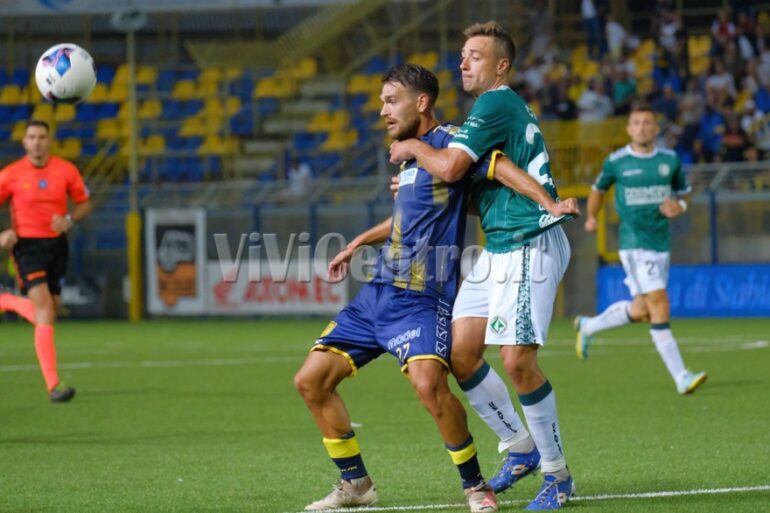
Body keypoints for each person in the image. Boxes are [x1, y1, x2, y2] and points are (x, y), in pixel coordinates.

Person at [390, 21, 579, 510]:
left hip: (528, 241)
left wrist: (413, 149)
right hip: (499, 245)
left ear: (501, 66)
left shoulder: (494, 102)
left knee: (517, 360)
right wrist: (420, 180)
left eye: (475, 55)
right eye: (462, 54)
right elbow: (475, 191)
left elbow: (452, 167)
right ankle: (520, 448)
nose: (463, 62)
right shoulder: (495, 113)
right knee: (461, 352)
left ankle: (557, 475)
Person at [294, 64, 499, 513]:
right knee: (310, 381)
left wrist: (413, 146)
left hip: (423, 297)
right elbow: (410, 216)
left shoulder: (450, 142)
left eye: (391, 101)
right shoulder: (410, 158)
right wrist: (359, 241)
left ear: (421, 102)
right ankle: (356, 485)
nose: (382, 110)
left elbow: (471, 179)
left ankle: (475, 487)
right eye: (382, 101)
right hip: (377, 295)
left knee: (429, 385)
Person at [574, 102, 707, 395]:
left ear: (656, 128)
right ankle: (681, 376)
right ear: (629, 128)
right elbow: (597, 191)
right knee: (660, 303)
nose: (642, 128)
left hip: (661, 242)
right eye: (637, 123)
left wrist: (680, 205)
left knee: (643, 310)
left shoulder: (669, 160)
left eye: (648, 123)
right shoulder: (617, 161)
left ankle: (589, 326)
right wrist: (593, 217)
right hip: (634, 242)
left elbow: (685, 193)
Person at [0, 119, 92, 402]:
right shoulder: (11, 174)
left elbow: (84, 202)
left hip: (56, 245)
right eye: (32, 137)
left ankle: (6, 300)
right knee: (44, 308)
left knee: (50, 310)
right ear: (24, 142)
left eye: (42, 136)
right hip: (26, 245)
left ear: (49, 141)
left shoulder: (66, 170)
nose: (37, 141)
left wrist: (69, 220)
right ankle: (53, 385)